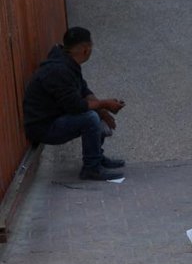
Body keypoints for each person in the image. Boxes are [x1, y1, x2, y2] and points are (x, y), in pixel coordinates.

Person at [22, 27, 126, 181]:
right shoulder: (59, 70)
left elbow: (84, 90)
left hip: (53, 118)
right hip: (43, 127)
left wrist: (103, 110)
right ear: (85, 49)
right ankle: (91, 168)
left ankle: (97, 157)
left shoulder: (67, 62)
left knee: (96, 112)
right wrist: (104, 104)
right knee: (90, 118)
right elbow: (76, 106)